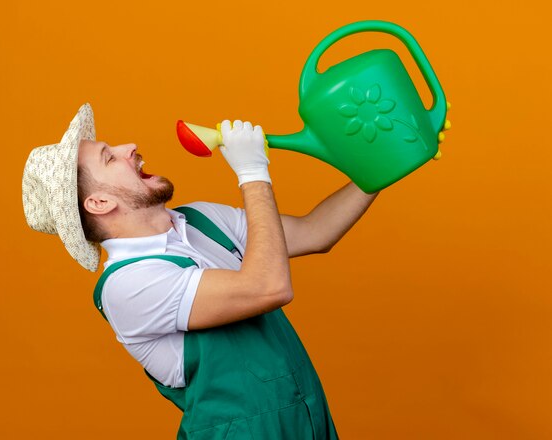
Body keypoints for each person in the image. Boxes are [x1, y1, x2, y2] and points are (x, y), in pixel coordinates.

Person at [22, 103, 380, 439]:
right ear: (100, 203)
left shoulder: (202, 219)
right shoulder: (128, 285)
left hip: (307, 418)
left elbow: (316, 232)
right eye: (109, 157)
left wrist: (387, 162)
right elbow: (268, 287)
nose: (129, 146)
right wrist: (252, 172)